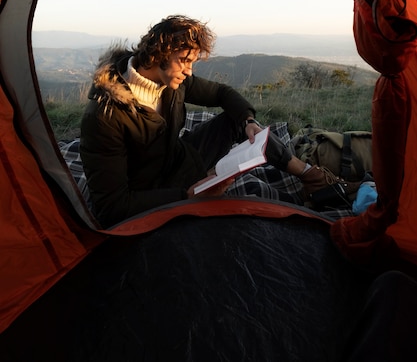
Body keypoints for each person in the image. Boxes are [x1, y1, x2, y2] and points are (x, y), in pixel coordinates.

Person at [80, 15, 360, 228]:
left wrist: (248, 120)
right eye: (184, 61)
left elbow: (223, 93)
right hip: (153, 193)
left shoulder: (172, 82)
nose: (189, 71)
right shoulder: (104, 117)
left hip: (180, 161)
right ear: (159, 55)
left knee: (241, 124)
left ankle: (312, 178)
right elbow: (111, 207)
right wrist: (187, 195)